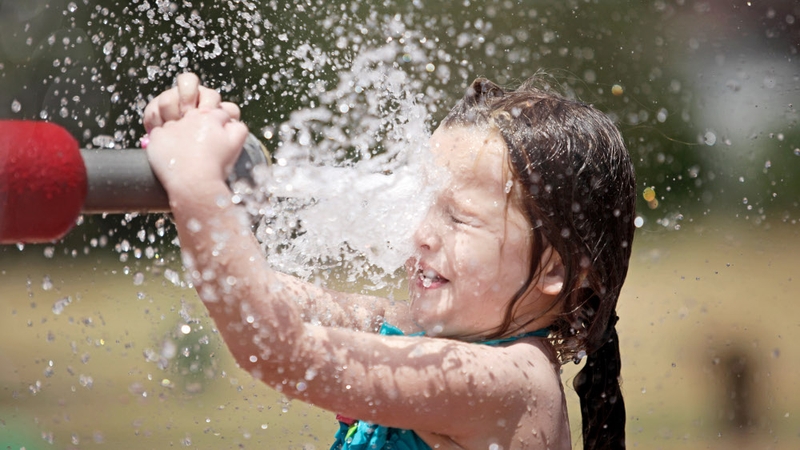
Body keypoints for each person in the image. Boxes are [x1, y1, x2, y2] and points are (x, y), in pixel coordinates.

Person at [143, 72, 636, 450]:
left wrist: (197, 187)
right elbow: (264, 301)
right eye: (424, 205)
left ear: (555, 268)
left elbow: (282, 352)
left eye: (459, 219)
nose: (420, 235)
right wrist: (201, 198)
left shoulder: (508, 382)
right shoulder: (427, 337)